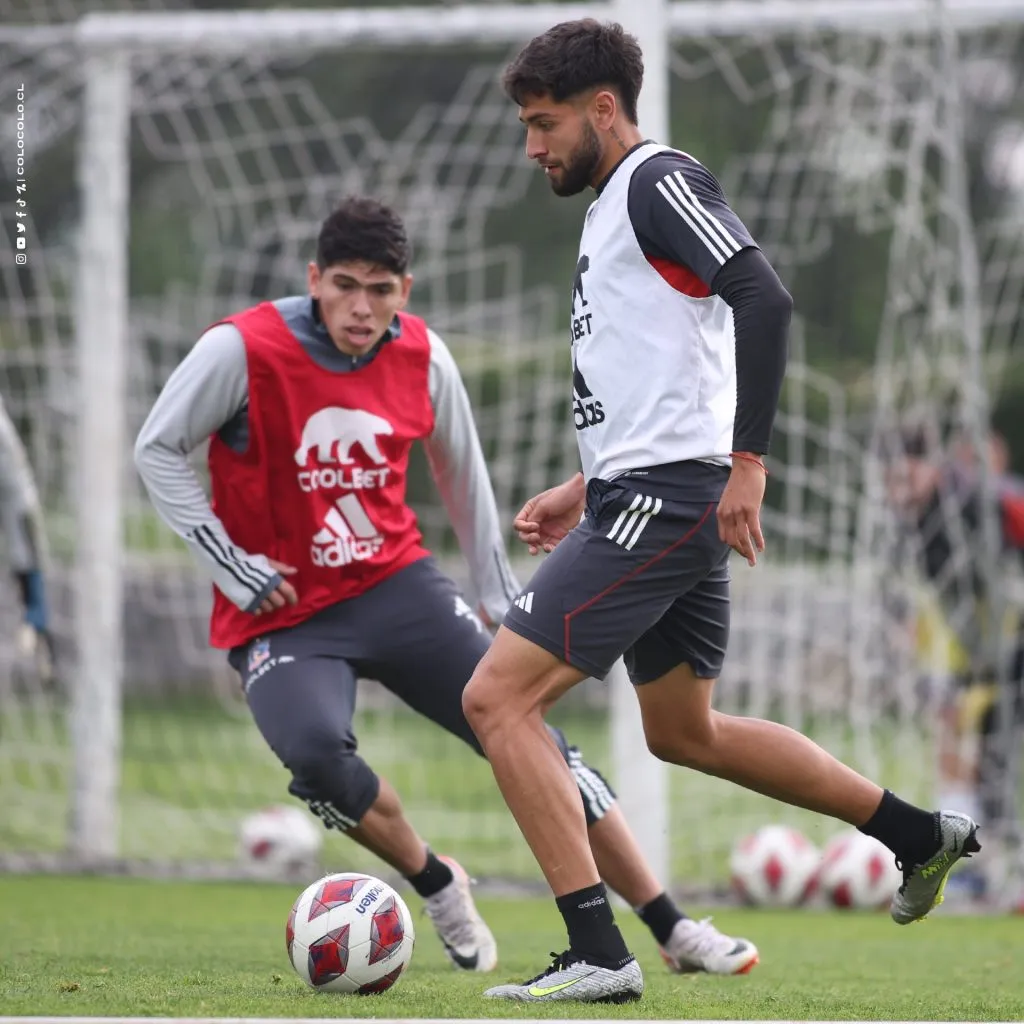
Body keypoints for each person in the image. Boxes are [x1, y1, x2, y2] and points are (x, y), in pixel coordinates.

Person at [460, 19, 981, 1003]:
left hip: (668, 501)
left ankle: (596, 950)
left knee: (496, 699)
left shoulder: (657, 181)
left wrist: (749, 462)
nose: (532, 146)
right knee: (681, 731)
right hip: (644, 489)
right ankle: (918, 833)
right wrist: (589, 482)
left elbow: (762, 296)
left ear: (602, 109)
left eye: (542, 123)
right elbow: (664, 362)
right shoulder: (616, 201)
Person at [134, 196, 759, 977]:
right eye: (346, 286)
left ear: (407, 289)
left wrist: (496, 594)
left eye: (382, 290)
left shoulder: (423, 355)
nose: (362, 308)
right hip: (283, 612)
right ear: (313, 279)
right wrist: (232, 562)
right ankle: (436, 880)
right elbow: (157, 449)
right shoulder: (242, 349)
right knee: (319, 759)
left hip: (397, 588)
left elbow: (461, 474)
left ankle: (670, 928)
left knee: (527, 732)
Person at [0, 393, 53, 683]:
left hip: (20, 509)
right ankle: (37, 642)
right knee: (24, 576)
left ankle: (36, 636)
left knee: (30, 575)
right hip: (11, 506)